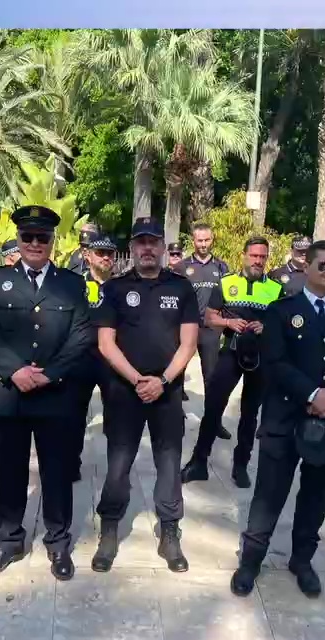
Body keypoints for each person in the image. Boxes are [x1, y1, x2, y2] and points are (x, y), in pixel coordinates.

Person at [230, 241, 325, 598]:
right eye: (323, 265)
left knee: (316, 496)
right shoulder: (281, 311)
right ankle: (250, 561)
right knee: (269, 494)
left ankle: (302, 560)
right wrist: (312, 395)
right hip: (285, 418)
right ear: (306, 267)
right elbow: (275, 362)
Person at [0, 205, 93, 581]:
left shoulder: (72, 284)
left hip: (56, 395)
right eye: (28, 237)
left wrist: (50, 375)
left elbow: (81, 335)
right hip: (10, 393)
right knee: (9, 473)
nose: (36, 243)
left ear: (53, 242)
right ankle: (8, 541)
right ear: (19, 240)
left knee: (57, 473)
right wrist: (15, 370)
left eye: (43, 237)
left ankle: (58, 543)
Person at [90, 217, 199, 574]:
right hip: (124, 392)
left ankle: (170, 534)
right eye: (141, 243)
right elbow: (105, 344)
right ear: (133, 248)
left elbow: (189, 344)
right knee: (118, 465)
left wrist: (162, 381)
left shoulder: (182, 288)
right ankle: (109, 531)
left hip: (167, 394)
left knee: (168, 465)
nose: (148, 249)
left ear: (164, 248)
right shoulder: (115, 289)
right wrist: (139, 379)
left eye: (154, 242)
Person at [181, 238, 283, 488]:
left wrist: (266, 326)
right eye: (254, 256)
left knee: (249, 414)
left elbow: (284, 324)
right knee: (214, 408)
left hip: (260, 356)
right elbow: (209, 317)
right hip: (231, 352)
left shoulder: (276, 288)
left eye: (263, 257)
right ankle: (198, 462)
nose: (258, 261)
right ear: (244, 256)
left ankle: (240, 466)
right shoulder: (226, 283)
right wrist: (228, 323)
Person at [70, 229, 118, 484]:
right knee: (75, 416)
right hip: (81, 359)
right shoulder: (75, 284)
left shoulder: (121, 287)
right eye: (100, 253)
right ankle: (72, 462)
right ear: (88, 256)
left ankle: (116, 468)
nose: (106, 258)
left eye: (110, 254)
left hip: (111, 362)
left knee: (116, 416)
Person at [177, 223, 232, 439]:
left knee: (212, 377)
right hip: (186, 327)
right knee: (177, 372)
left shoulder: (222, 267)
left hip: (210, 330)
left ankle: (213, 422)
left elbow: (229, 299)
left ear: (212, 240)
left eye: (207, 240)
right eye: (199, 240)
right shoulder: (182, 267)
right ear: (193, 241)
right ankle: (174, 416)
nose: (203, 244)